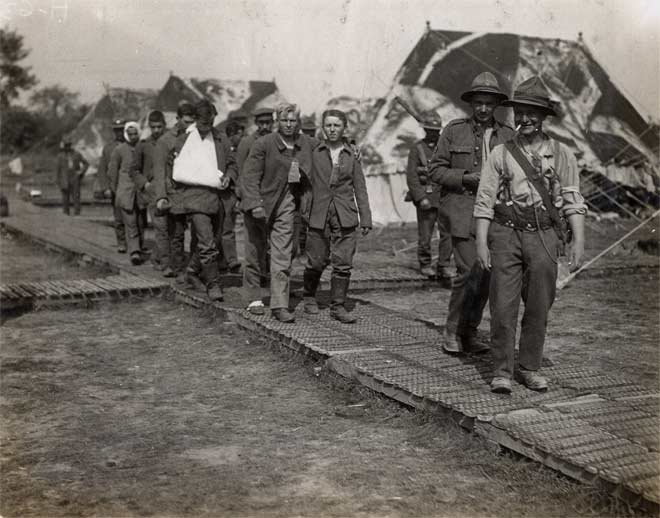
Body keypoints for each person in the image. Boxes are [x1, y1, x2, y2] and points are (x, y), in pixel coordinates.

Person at [473, 76, 586, 394]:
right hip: (505, 234)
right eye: (520, 112)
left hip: (544, 238)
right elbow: (484, 202)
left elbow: (573, 201)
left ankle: (529, 367)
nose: (525, 119)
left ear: (544, 116)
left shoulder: (562, 154)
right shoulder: (500, 152)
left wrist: (579, 242)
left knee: (539, 305)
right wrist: (482, 242)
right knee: (503, 306)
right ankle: (502, 371)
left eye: (532, 112)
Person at [429, 71, 515, 354]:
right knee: (467, 272)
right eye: (478, 103)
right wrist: (466, 177)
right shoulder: (454, 131)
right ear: (471, 104)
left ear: (496, 105)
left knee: (486, 276)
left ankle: (470, 332)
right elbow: (436, 170)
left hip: (496, 216)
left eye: (489, 104)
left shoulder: (508, 135)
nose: (483, 109)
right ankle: (451, 331)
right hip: (463, 214)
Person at [241, 103, 318, 322]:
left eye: (293, 121)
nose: (289, 125)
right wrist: (254, 203)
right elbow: (250, 176)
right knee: (255, 252)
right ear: (278, 121)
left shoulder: (305, 143)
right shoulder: (263, 144)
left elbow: (328, 148)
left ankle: (279, 304)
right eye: (284, 120)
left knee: (282, 254)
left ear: (298, 123)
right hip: (261, 203)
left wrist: (352, 150)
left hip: (286, 202)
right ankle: (253, 297)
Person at [154, 99, 236, 302]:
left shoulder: (221, 139)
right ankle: (213, 284)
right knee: (207, 243)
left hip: (218, 198)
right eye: (202, 124)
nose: (205, 128)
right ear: (196, 120)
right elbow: (175, 171)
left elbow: (233, 164)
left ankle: (192, 270)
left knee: (214, 240)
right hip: (195, 199)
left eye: (209, 124)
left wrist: (229, 176)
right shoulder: (184, 140)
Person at [301, 109, 372, 323]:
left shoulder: (351, 155)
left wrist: (366, 217)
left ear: (344, 128)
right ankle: (309, 296)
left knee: (343, 262)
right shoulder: (314, 150)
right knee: (316, 261)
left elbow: (360, 188)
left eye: (337, 126)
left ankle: (338, 306)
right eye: (328, 125)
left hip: (345, 213)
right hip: (318, 213)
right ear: (323, 127)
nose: (332, 129)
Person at [405, 111, 454, 279]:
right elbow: (412, 176)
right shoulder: (417, 148)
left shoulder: (447, 145)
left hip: (445, 197)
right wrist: (420, 197)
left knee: (447, 234)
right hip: (427, 198)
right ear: (424, 130)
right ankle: (425, 264)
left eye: (435, 129)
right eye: (429, 129)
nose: (432, 132)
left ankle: (444, 265)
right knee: (425, 235)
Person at [152, 102, 196, 278]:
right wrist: (161, 196)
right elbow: (159, 170)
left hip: (192, 193)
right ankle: (175, 268)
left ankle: (188, 267)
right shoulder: (165, 141)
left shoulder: (197, 137)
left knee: (195, 233)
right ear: (177, 119)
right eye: (186, 121)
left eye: (192, 121)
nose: (189, 125)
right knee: (175, 233)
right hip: (173, 193)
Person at [236, 107, 274, 300]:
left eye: (269, 122)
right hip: (252, 201)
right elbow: (240, 173)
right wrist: (244, 198)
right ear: (256, 123)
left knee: (275, 247)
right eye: (262, 122)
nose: (265, 126)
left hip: (273, 203)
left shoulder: (277, 142)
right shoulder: (247, 142)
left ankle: (271, 285)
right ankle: (252, 295)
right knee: (252, 247)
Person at [130, 110, 167, 270]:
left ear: (164, 125)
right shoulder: (143, 145)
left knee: (172, 228)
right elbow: (134, 170)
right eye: (153, 127)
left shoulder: (171, 141)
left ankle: (160, 256)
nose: (157, 130)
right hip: (153, 192)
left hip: (172, 190)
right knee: (160, 227)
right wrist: (144, 184)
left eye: (159, 127)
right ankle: (161, 261)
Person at [108, 121, 143, 264]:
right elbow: (112, 171)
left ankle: (138, 246)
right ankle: (134, 252)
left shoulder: (143, 147)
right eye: (130, 134)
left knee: (141, 222)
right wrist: (116, 190)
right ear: (126, 135)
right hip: (125, 191)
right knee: (131, 221)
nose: (133, 136)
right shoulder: (119, 150)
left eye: (135, 134)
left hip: (141, 191)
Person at [216, 119, 243, 274]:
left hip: (230, 195)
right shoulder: (226, 149)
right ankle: (228, 260)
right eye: (239, 135)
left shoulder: (237, 150)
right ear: (232, 135)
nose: (241, 138)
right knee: (224, 229)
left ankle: (229, 261)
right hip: (223, 194)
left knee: (226, 228)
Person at [97, 119, 126, 251]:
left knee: (137, 218)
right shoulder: (108, 148)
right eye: (117, 130)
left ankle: (136, 243)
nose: (119, 132)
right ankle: (122, 242)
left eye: (121, 129)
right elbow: (102, 169)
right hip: (116, 188)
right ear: (114, 131)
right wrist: (106, 188)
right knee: (119, 217)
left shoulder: (134, 145)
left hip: (131, 187)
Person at [56, 138, 89, 216]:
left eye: (69, 145)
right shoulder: (60, 156)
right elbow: (58, 170)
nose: (67, 147)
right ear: (64, 146)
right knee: (65, 199)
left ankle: (77, 214)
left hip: (75, 178)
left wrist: (81, 172)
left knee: (76, 197)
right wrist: (58, 181)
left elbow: (86, 164)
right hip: (64, 179)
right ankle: (66, 214)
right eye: (66, 145)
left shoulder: (77, 154)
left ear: (71, 145)